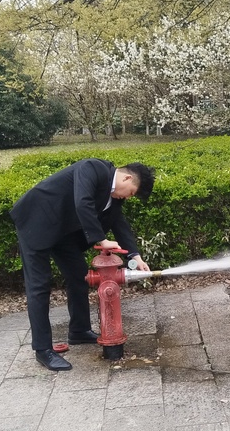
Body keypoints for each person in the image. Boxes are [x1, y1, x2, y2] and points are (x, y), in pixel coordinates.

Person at [10, 159, 155, 371]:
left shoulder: (114, 197)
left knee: (79, 274)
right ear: (127, 178)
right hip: (36, 222)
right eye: (131, 192)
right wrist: (101, 239)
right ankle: (43, 350)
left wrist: (136, 256)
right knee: (39, 286)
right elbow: (83, 202)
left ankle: (79, 331)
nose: (127, 197)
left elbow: (119, 223)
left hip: (63, 232)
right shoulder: (93, 168)